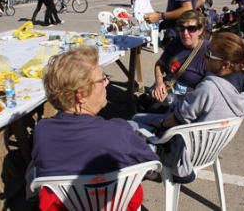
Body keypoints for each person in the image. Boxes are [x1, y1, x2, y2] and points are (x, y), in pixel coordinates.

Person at [32, 46, 159, 211]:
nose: (107, 83)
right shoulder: (118, 132)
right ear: (81, 95)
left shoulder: (42, 131)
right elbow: (151, 164)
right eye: (102, 79)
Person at [130, 32, 244, 183]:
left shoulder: (210, 88)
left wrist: (158, 123)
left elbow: (177, 119)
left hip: (184, 153)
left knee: (132, 123)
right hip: (208, 148)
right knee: (153, 115)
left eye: (209, 53)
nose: (203, 56)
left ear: (225, 64)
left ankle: (151, 165)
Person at [140, 10, 208, 110]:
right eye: (181, 28)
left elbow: (208, 89)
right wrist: (159, 83)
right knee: (142, 105)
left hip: (188, 99)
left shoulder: (208, 53)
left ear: (201, 30)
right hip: (169, 85)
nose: (185, 33)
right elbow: (160, 64)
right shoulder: (176, 42)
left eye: (191, 28)